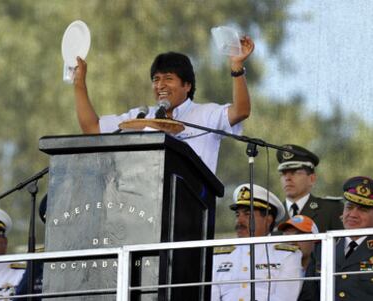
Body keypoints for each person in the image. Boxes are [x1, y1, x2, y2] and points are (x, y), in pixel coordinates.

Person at [73, 37, 255, 173]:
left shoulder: (206, 114)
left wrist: (236, 65)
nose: (160, 86)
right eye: (156, 79)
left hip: (190, 212)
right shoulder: (142, 116)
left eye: (168, 78)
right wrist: (79, 82)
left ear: (187, 85)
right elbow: (93, 128)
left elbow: (241, 110)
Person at [211, 183, 303, 301]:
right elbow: (211, 295)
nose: (240, 220)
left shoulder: (288, 255)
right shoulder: (219, 255)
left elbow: (285, 297)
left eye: (247, 214)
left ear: (268, 220)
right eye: (237, 214)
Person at [276, 144, 343, 232]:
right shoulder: (274, 214)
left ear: (312, 179)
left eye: (295, 172)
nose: (287, 178)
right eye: (283, 173)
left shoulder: (330, 210)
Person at [278, 214, 320, 301]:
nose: (292, 241)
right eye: (287, 235)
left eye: (299, 235)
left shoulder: (324, 271)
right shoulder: (273, 269)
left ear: (315, 240)